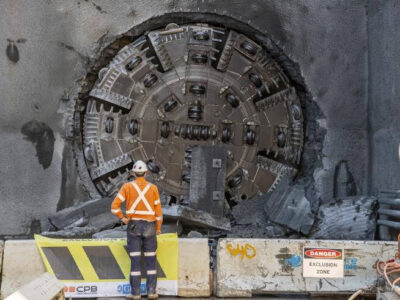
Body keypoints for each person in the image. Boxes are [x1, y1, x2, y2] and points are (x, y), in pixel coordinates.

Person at [111, 160, 163, 300]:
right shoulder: (153, 188)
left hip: (133, 226)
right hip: (150, 227)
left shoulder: (127, 187)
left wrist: (123, 218)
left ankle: (135, 294)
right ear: (146, 173)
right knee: (151, 260)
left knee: (135, 260)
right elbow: (158, 213)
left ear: (133, 173)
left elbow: (114, 207)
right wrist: (158, 228)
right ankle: (151, 292)